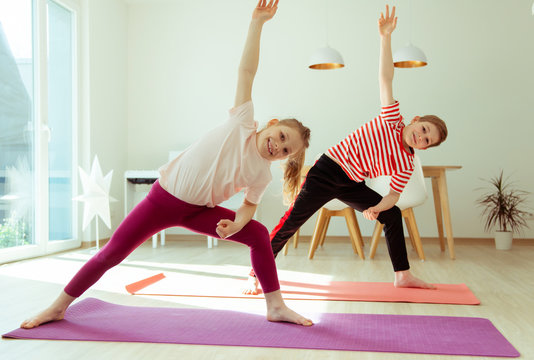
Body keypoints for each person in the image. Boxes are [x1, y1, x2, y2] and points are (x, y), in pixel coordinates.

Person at [22, 0, 313, 329]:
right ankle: (58, 306)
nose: (278, 146)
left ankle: (275, 306)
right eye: (281, 136)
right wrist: (258, 23)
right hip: (162, 201)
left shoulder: (262, 173)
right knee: (112, 254)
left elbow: (249, 206)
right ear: (271, 124)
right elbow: (246, 71)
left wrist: (236, 224)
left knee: (258, 234)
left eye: (286, 150)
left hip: (199, 211)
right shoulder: (243, 123)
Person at [244, 5, 448, 295]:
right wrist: (385, 38)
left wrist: (376, 208)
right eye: (425, 129)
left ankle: (402, 275)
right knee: (292, 222)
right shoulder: (392, 118)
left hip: (353, 182)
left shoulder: (406, 162)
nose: (422, 137)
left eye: (428, 141)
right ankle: (255, 273)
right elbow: (386, 79)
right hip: (327, 170)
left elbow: (392, 196)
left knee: (393, 215)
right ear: (416, 121)